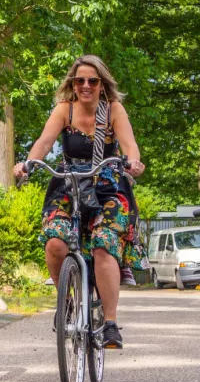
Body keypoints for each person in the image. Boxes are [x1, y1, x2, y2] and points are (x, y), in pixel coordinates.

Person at [14, 55, 144, 350]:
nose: (85, 85)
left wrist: (133, 162)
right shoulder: (64, 110)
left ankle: (110, 323)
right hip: (68, 183)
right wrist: (28, 163)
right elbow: (44, 142)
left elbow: (129, 145)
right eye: (79, 80)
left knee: (104, 242)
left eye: (92, 81)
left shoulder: (113, 109)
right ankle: (68, 303)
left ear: (102, 84)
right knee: (55, 241)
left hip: (107, 185)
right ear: (72, 83)